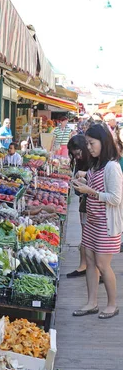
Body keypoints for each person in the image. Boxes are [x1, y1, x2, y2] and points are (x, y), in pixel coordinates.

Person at [72, 123, 123, 319]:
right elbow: (97, 186)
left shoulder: (112, 166)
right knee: (91, 261)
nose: (89, 147)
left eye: (92, 143)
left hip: (106, 224)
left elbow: (115, 198)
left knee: (102, 264)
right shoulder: (96, 164)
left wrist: (89, 191)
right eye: (87, 143)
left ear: (103, 142)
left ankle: (112, 304)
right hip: (93, 221)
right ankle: (91, 302)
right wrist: (84, 181)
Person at [66, 135, 91, 278]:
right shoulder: (80, 162)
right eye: (75, 155)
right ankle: (84, 265)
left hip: (94, 204)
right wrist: (77, 182)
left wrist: (86, 177)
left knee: (90, 235)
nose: (77, 157)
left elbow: (100, 180)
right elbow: (76, 191)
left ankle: (95, 269)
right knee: (85, 234)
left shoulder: (95, 160)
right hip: (84, 202)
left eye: (78, 153)